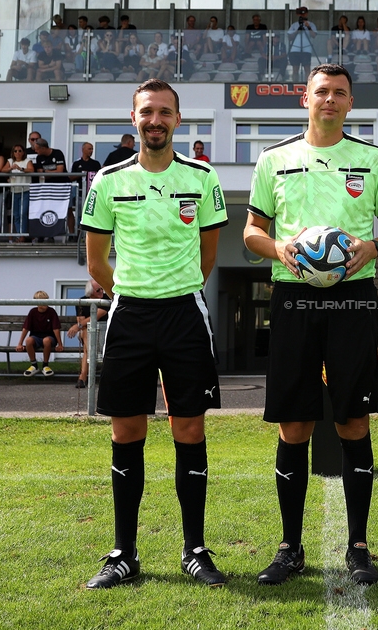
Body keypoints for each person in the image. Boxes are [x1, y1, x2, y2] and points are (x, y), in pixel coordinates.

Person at [243, 64, 378, 586]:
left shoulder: (373, 160)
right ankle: (290, 548)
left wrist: (373, 247)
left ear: (351, 102)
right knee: (295, 423)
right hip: (291, 295)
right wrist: (280, 247)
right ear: (304, 100)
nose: (329, 100)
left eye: (339, 93)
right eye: (321, 93)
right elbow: (251, 231)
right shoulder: (274, 160)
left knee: (353, 421)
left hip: (353, 296)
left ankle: (358, 546)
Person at [81, 79, 229, 589]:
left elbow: (209, 257)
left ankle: (195, 549)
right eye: (148, 112)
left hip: (185, 315)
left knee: (189, 430)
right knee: (127, 433)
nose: (156, 120)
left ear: (178, 120)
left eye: (165, 112)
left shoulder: (203, 177)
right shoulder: (107, 181)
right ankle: (124, 552)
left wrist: (173, 288)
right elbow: (96, 262)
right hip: (131, 318)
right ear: (134, 117)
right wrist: (136, 290)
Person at [67, 279, 110, 389]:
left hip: (104, 332)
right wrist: (80, 325)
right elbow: (82, 320)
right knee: (87, 334)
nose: (101, 291)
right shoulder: (82, 301)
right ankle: (84, 375)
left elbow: (98, 315)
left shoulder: (106, 299)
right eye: (98, 290)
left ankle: (82, 377)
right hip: (87, 332)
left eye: (102, 289)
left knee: (87, 343)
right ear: (90, 291)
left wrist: (78, 326)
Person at [15, 290, 64, 377]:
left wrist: (60, 344)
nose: (45, 304)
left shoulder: (51, 312)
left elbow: (56, 329)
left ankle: (45, 365)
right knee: (29, 340)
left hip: (49, 337)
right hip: (36, 337)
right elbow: (26, 328)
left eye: (46, 301)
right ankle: (34, 365)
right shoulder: (33, 312)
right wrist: (19, 343)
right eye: (42, 302)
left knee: (46, 340)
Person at [7, 144, 34, 243]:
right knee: (16, 214)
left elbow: (31, 170)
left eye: (19, 151)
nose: (17, 153)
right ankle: (19, 234)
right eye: (15, 151)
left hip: (25, 190)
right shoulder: (10, 161)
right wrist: (10, 168)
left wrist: (20, 169)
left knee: (23, 213)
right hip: (14, 191)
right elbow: (2, 170)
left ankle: (23, 235)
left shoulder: (27, 161)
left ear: (23, 152)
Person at [287, 7, 317, 82]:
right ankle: (295, 84)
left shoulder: (311, 24)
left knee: (307, 68)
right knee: (295, 69)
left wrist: (308, 27)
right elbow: (289, 37)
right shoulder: (294, 25)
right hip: (295, 49)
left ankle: (308, 85)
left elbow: (314, 35)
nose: (303, 16)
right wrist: (297, 31)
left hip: (306, 49)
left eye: (304, 14)